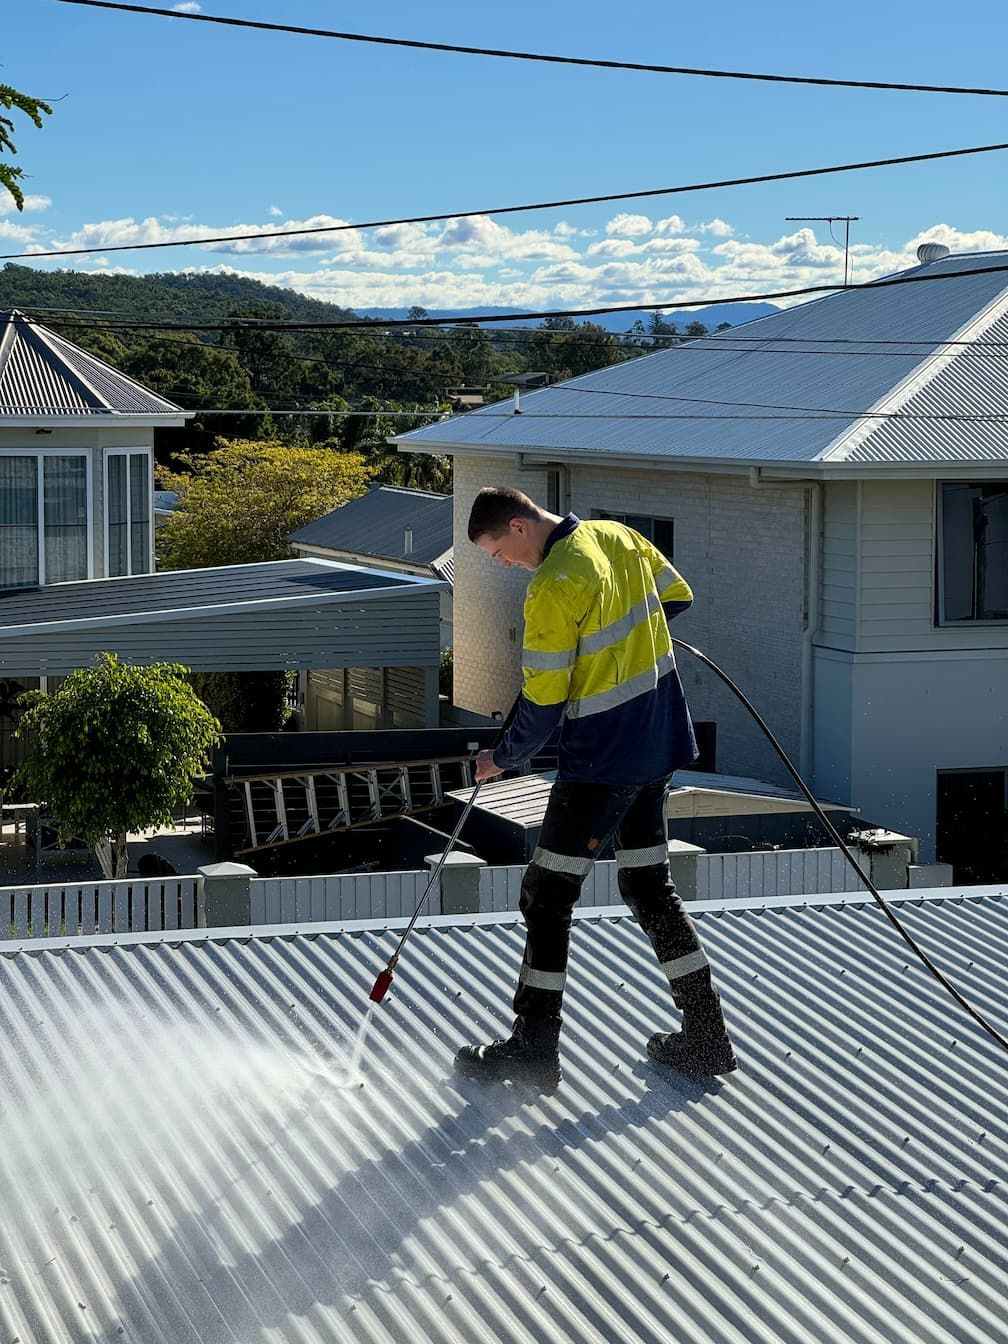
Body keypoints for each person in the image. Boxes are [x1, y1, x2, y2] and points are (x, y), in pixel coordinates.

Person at [454, 486, 736, 1091]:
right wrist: (630, 646)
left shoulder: (553, 585)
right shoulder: (620, 536)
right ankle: (708, 1037)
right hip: (658, 746)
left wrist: (501, 758)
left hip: (602, 765)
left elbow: (545, 698)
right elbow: (675, 599)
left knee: (545, 896)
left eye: (497, 550)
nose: (501, 564)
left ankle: (534, 1049)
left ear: (519, 526)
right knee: (646, 885)